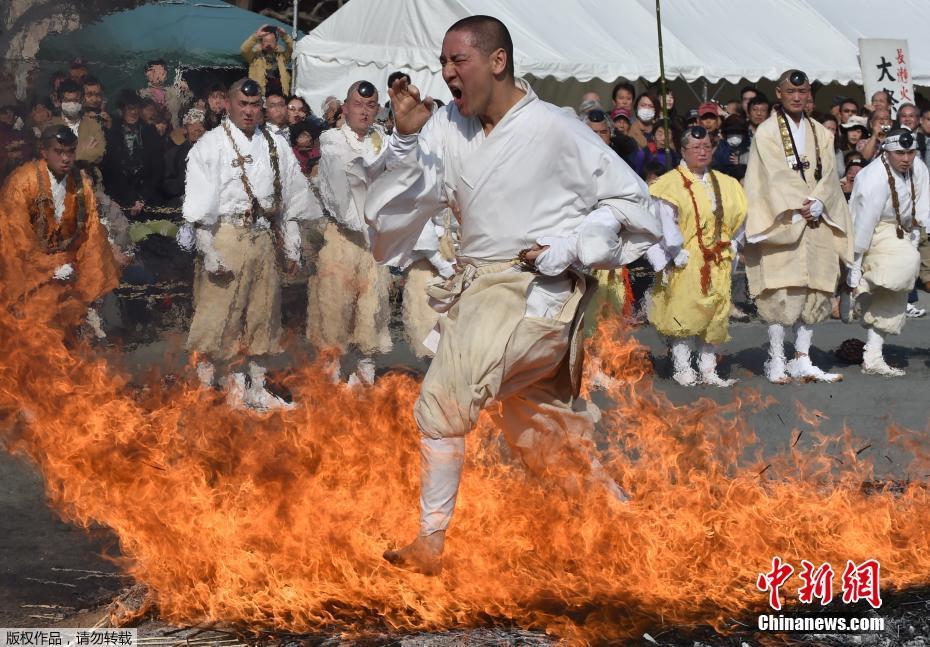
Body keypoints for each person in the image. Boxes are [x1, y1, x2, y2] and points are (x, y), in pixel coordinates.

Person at [365, 15, 660, 574]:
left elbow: (633, 204)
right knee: (542, 437)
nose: (447, 73)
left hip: (536, 294)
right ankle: (627, 529)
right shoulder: (449, 126)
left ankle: (431, 542)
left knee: (444, 402)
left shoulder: (553, 126)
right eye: (443, 62)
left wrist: (571, 245)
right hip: (482, 289)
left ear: (497, 62)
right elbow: (403, 201)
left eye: (459, 61)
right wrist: (406, 135)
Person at [182, 78, 319, 409]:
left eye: (255, 105)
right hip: (226, 234)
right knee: (220, 317)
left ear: (263, 108)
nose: (248, 111)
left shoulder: (275, 143)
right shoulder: (210, 145)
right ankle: (217, 388)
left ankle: (257, 386)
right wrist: (208, 249)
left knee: (263, 314)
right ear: (228, 104)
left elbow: (292, 197)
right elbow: (199, 204)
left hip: (262, 236)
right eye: (242, 104)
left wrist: (291, 245)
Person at [742, 69, 852, 384]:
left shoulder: (822, 132)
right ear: (779, 93)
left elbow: (830, 175)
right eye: (791, 92)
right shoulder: (766, 133)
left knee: (814, 289)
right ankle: (776, 360)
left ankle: (802, 357)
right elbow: (771, 177)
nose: (797, 97)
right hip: (784, 218)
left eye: (802, 93)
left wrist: (820, 201)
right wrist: (800, 204)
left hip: (816, 219)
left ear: (808, 96)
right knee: (781, 289)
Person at [306, 81, 400, 384]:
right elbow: (337, 194)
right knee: (334, 308)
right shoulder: (332, 140)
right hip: (342, 237)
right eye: (358, 105)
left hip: (373, 240)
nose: (364, 111)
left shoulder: (383, 140)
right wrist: (363, 221)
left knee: (371, 309)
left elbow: (397, 181)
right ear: (345, 108)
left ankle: (364, 378)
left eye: (371, 105)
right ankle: (331, 379)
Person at [647, 125, 747, 386]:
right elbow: (663, 222)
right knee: (683, 313)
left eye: (707, 147)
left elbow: (740, 216)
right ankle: (682, 367)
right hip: (686, 259)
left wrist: (735, 242)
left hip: (718, 259)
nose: (702, 152)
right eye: (695, 147)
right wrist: (674, 250)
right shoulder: (668, 184)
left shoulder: (726, 183)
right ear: (683, 151)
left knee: (714, 315)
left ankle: (708, 369)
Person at [0, 126, 118, 329]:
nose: (66, 158)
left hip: (69, 266)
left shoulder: (81, 183)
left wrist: (87, 274)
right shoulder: (21, 182)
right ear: (44, 152)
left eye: (71, 151)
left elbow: (91, 234)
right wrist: (50, 268)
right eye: (59, 152)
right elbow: (15, 235)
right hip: (28, 269)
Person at [847, 129, 929, 375]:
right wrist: (854, 265)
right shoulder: (873, 178)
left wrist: (918, 237)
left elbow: (924, 206)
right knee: (906, 261)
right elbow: (862, 223)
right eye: (899, 153)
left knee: (895, 294)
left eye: (910, 152)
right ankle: (858, 285)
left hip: (904, 231)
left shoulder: (919, 168)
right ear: (886, 151)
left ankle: (872, 356)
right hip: (875, 231)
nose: (906, 158)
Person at [101, 90, 164, 220]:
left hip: (147, 197)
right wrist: (129, 199)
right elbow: (110, 171)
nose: (134, 112)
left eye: (136, 108)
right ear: (120, 111)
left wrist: (142, 198)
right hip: (119, 197)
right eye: (130, 108)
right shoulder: (111, 134)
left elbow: (158, 169)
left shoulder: (150, 131)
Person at [48, 79, 106, 167]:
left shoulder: (93, 125)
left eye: (75, 100)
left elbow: (99, 155)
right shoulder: (51, 125)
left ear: (81, 101)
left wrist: (68, 153)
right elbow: (53, 158)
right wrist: (83, 152)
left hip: (89, 177)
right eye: (67, 100)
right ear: (60, 102)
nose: (72, 104)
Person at [162, 108, 206, 206]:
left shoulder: (213, 151)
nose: (197, 129)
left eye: (200, 125)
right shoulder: (173, 154)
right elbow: (168, 183)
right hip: (182, 201)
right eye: (192, 125)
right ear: (186, 129)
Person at [241, 25, 294, 96]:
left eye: (271, 41)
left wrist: (285, 36)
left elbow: (293, 48)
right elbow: (244, 50)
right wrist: (256, 36)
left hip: (280, 94)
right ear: (261, 43)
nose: (268, 44)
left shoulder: (282, 56)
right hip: (261, 95)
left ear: (276, 43)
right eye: (266, 41)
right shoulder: (254, 56)